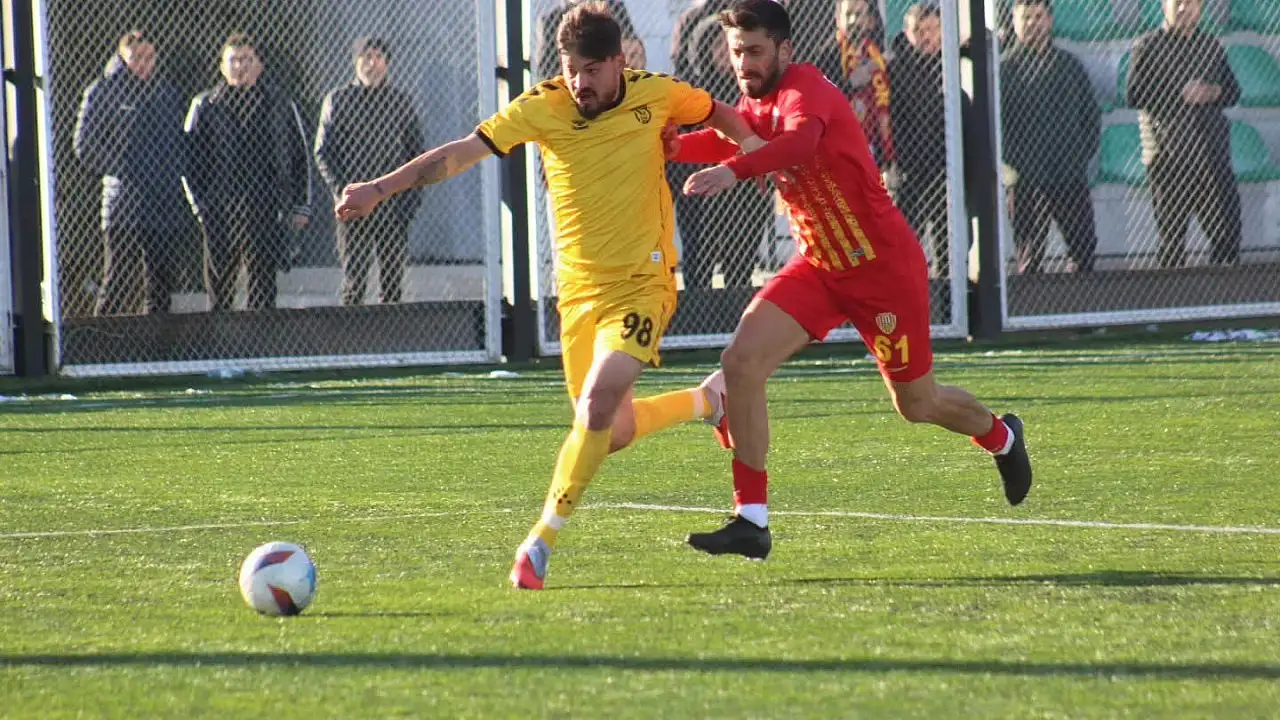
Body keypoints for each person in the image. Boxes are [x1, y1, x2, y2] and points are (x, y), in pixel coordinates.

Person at [334, 3, 762, 589]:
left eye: (591, 70)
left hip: (644, 284)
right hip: (578, 296)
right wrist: (381, 188)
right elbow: (460, 152)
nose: (579, 82)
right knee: (613, 431)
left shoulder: (657, 93)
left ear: (618, 62)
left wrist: (753, 150)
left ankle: (540, 540)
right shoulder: (543, 105)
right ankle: (708, 401)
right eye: (570, 68)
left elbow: (721, 113)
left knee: (598, 403)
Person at [665, 0, 1032, 559]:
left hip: (882, 270)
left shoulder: (805, 89)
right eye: (736, 51)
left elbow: (798, 143)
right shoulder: (754, 102)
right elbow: (727, 139)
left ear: (785, 49)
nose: (743, 63)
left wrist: (733, 171)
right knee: (740, 362)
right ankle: (752, 520)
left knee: (917, 404)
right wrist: (672, 148)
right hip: (819, 267)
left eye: (754, 51)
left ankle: (1001, 436)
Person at [184, 33, 313, 311]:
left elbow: (299, 156)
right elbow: (189, 161)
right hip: (220, 207)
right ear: (222, 66)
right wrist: (200, 205)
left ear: (259, 65)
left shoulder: (279, 104)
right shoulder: (205, 105)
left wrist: (300, 204)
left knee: (263, 284)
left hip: (265, 205)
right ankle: (219, 336)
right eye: (233, 60)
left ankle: (261, 335)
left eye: (246, 60)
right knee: (219, 285)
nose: (240, 67)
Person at [73, 30, 188, 316]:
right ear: (122, 56)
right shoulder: (103, 91)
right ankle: (101, 336)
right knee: (119, 275)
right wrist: (123, 168)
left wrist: (170, 175)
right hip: (124, 200)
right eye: (136, 57)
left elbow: (178, 141)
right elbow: (84, 144)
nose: (143, 64)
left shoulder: (166, 93)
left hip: (161, 200)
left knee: (160, 281)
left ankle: (157, 339)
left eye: (149, 57)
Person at [1126, 0, 1241, 268]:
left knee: (1228, 237)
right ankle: (1171, 294)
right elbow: (1134, 94)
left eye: (1189, 3)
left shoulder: (1210, 45)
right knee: (1172, 242)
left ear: (1200, 7)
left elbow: (1233, 91)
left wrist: (1211, 92)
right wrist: (1178, 95)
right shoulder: (1148, 45)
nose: (1182, 9)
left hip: (1210, 155)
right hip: (1168, 158)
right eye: (1176, 3)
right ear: (1163, 6)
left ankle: (1222, 291)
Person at [315, 37, 424, 305]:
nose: (371, 63)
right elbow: (323, 152)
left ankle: (393, 328)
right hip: (354, 204)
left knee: (392, 282)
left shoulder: (400, 102)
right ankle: (353, 329)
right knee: (354, 281)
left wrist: (409, 200)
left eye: (377, 57)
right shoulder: (338, 100)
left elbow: (417, 155)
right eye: (366, 57)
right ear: (355, 62)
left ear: (387, 63)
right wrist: (343, 191)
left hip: (392, 204)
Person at [672, 9, 772, 295]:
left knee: (741, 259)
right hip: (700, 190)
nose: (723, 53)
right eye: (716, 45)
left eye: (728, 47)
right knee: (699, 258)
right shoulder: (690, 90)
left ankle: (738, 304)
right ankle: (698, 307)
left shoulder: (752, 88)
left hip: (744, 189)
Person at [1000, 0, 1100, 274]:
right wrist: (1019, 165)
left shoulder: (1069, 66)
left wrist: (1078, 156)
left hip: (1069, 175)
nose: (1032, 23)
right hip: (1026, 180)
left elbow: (1090, 116)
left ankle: (1079, 299)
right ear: (1014, 22)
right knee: (1029, 258)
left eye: (1038, 16)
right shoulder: (1004, 70)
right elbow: (998, 129)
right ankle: (1030, 303)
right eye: (1026, 18)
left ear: (1050, 20)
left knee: (1084, 250)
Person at [887, 3, 973, 278]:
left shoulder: (952, 63)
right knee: (902, 244)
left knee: (950, 245)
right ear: (907, 33)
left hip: (945, 172)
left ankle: (950, 295)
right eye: (920, 31)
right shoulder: (894, 71)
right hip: (908, 172)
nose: (927, 37)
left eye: (934, 29)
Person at [834, 0, 895, 171]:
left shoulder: (880, 59)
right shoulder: (827, 55)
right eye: (848, 14)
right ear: (838, 19)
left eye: (859, 14)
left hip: (876, 154)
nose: (853, 20)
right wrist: (850, 84)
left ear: (870, 21)